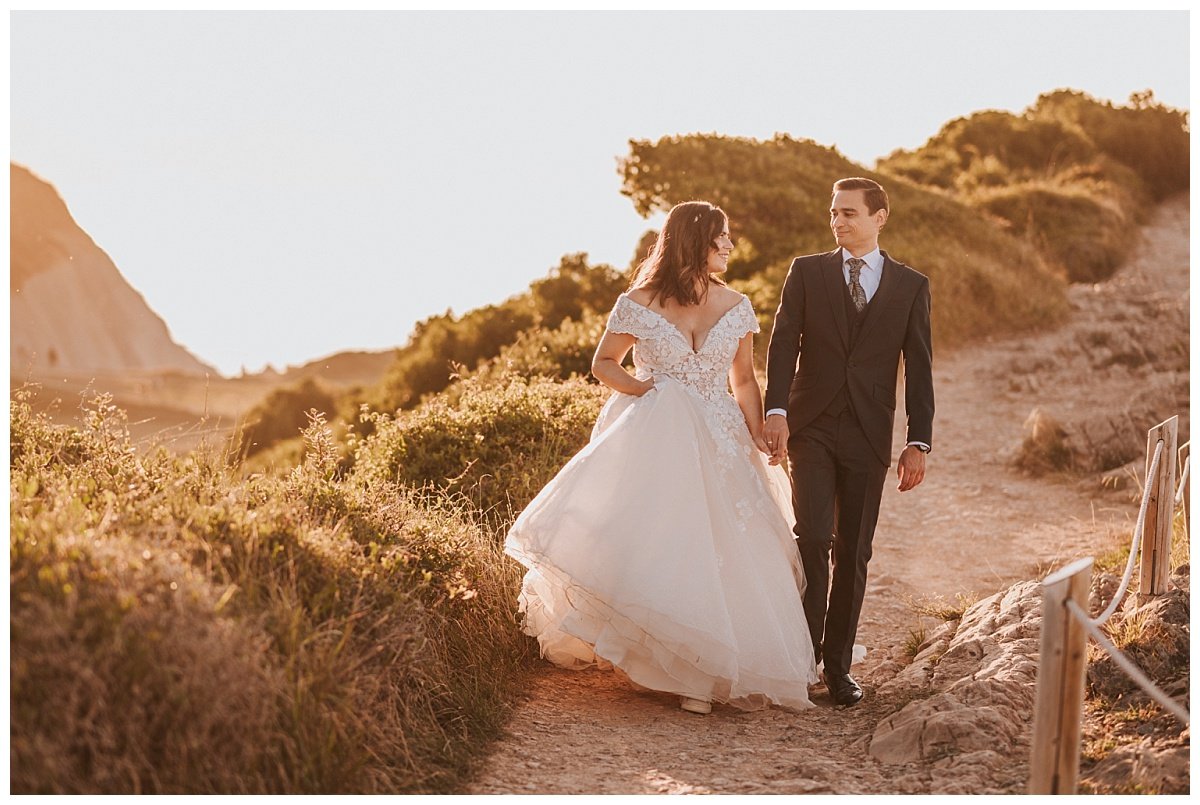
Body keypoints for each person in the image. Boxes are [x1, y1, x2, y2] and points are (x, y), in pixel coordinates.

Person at [505, 200, 818, 714]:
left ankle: (713, 671)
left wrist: (759, 431)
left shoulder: (736, 303)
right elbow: (603, 364)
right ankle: (671, 663)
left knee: (729, 546)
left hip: (720, 435)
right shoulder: (639, 302)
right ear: (696, 241)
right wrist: (645, 390)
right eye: (722, 237)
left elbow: (742, 379)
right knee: (666, 541)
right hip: (657, 432)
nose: (730, 246)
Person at [763, 177, 934, 708]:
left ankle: (838, 669)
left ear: (880, 217)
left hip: (868, 431)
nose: (838, 222)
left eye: (850, 213)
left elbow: (921, 369)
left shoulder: (911, 285)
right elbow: (782, 341)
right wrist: (777, 410)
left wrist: (918, 442)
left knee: (854, 553)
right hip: (811, 424)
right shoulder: (807, 272)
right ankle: (801, 656)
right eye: (834, 212)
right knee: (813, 538)